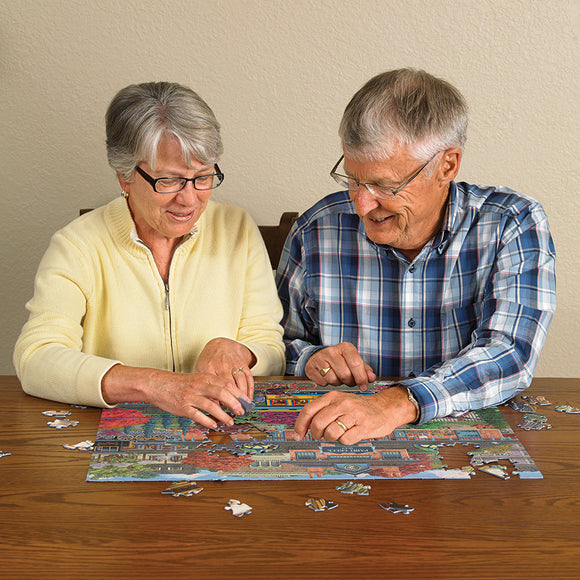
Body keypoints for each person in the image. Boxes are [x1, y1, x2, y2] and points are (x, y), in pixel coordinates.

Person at [277, 68, 556, 444]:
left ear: (447, 166)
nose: (362, 204)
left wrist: (397, 403)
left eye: (384, 185)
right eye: (354, 179)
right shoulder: (316, 229)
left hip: (467, 449)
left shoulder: (512, 224)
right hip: (340, 445)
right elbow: (275, 341)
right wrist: (309, 358)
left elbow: (510, 353)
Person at [14, 81, 285, 429]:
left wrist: (238, 351)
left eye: (202, 177)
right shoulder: (77, 244)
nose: (189, 199)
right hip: (113, 440)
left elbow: (272, 348)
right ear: (125, 177)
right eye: (169, 181)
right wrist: (154, 384)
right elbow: (35, 359)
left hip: (219, 437)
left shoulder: (237, 229)